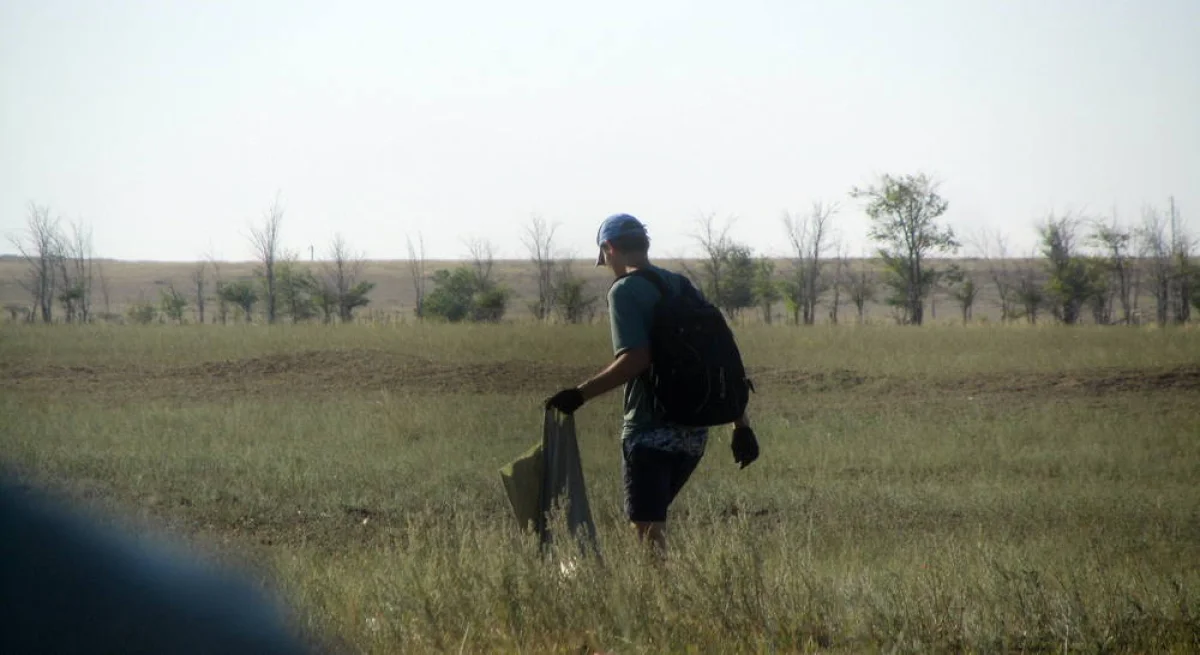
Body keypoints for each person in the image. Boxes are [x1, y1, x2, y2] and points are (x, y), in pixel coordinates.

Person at [545, 213, 759, 556]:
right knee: (650, 524)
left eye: (605, 258)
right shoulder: (680, 284)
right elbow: (719, 357)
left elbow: (635, 359)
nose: (608, 266)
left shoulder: (624, 291)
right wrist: (741, 424)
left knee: (647, 532)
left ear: (609, 247)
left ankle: (659, 591)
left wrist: (579, 395)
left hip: (649, 431)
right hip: (693, 435)